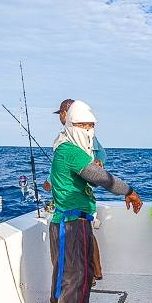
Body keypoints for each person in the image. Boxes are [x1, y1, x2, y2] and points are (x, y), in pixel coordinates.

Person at [48, 100, 142, 303]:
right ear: (73, 126)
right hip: (71, 224)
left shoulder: (64, 148)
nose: (89, 131)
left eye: (92, 126)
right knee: (77, 278)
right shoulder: (71, 151)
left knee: (69, 275)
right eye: (84, 126)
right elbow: (101, 178)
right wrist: (129, 190)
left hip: (69, 221)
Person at [46, 98, 104, 280]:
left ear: (66, 114)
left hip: (75, 204)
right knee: (85, 237)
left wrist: (98, 164)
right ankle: (92, 273)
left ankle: (93, 273)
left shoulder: (78, 136)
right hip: (78, 198)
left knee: (82, 240)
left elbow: (99, 154)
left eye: (62, 113)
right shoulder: (65, 138)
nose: (61, 117)